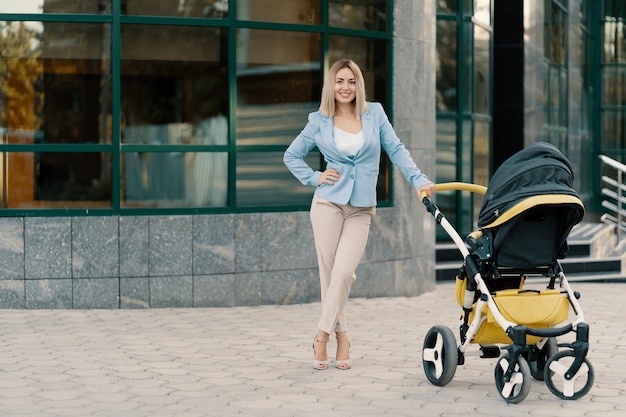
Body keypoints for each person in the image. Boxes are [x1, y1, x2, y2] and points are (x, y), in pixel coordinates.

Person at [283, 59, 435, 370]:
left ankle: (321, 336)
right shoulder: (319, 120)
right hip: (327, 204)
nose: (345, 87)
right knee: (330, 276)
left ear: (358, 85)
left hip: (361, 207)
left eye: (351, 81)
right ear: (331, 85)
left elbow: (396, 149)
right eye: (339, 81)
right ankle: (343, 340)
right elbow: (291, 155)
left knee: (343, 274)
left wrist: (419, 180)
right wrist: (315, 177)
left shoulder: (374, 113)